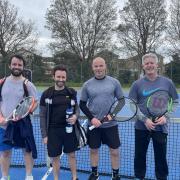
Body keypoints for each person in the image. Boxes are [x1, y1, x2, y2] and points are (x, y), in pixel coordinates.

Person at [129, 53, 179, 180]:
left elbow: (176, 101)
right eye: (147, 63)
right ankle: (139, 177)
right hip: (141, 126)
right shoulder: (137, 84)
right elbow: (132, 105)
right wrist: (144, 119)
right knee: (139, 156)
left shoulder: (168, 83)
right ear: (143, 66)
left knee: (161, 157)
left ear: (157, 65)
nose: (149, 65)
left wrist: (166, 117)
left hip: (160, 127)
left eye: (152, 63)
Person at [80, 57, 124, 180]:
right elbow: (82, 104)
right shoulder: (87, 84)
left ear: (105, 66)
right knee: (94, 150)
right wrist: (92, 119)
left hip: (111, 125)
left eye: (101, 66)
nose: (98, 68)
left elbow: (121, 101)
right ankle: (95, 174)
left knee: (114, 151)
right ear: (92, 68)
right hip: (94, 125)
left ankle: (115, 175)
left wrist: (112, 115)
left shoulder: (114, 82)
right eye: (96, 66)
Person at [0, 54, 38, 180]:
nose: (17, 67)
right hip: (4, 126)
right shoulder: (2, 82)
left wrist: (26, 112)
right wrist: (1, 117)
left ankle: (28, 176)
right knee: (5, 152)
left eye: (19, 65)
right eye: (14, 64)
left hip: (22, 125)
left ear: (23, 67)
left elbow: (35, 101)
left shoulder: (28, 84)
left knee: (27, 151)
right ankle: (5, 177)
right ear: (9, 65)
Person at [40, 65, 80, 180]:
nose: (61, 79)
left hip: (69, 129)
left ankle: (74, 177)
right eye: (58, 76)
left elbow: (77, 109)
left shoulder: (71, 92)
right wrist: (44, 135)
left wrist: (76, 116)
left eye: (63, 77)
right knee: (55, 157)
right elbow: (42, 115)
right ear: (53, 77)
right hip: (53, 131)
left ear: (66, 78)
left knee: (72, 155)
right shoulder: (46, 94)